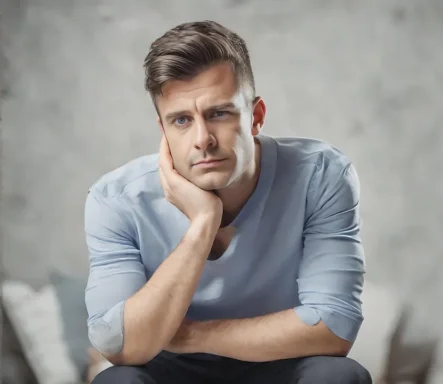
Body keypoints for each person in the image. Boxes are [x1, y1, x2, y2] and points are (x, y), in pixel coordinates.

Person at [84, 20, 372, 384]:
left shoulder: (320, 174)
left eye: (219, 113)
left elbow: (334, 327)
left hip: (279, 359)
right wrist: (203, 224)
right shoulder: (116, 199)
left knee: (338, 376)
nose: (202, 139)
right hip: (168, 369)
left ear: (256, 116)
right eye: (182, 120)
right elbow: (119, 347)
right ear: (164, 130)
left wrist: (189, 334)